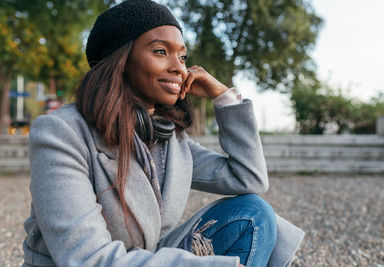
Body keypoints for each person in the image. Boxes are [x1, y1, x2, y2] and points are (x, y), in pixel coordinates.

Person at [22, 1, 304, 266]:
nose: (178, 68)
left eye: (182, 57)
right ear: (120, 60)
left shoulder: (169, 139)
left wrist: (224, 97)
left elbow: (249, 178)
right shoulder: (61, 133)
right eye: (161, 51)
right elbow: (88, 258)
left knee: (253, 213)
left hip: (147, 258)